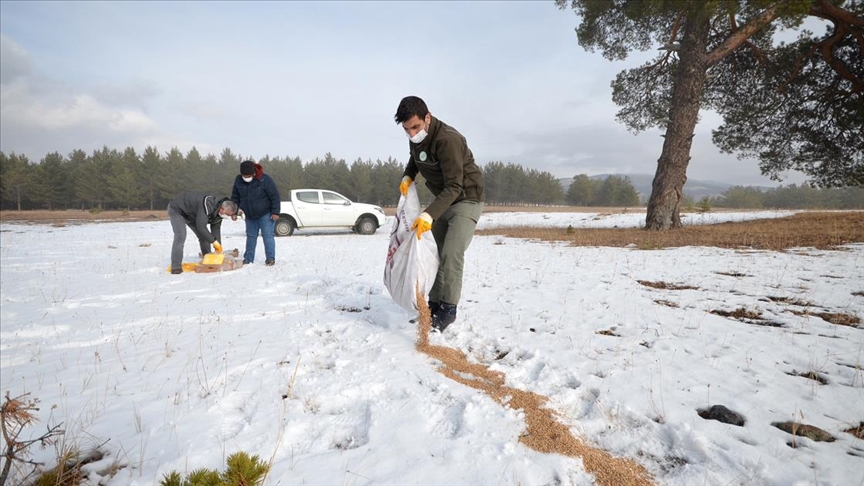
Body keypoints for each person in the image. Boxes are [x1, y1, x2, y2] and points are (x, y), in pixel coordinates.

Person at [394, 95, 485, 332]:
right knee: (434, 253)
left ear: (427, 117)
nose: (412, 134)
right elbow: (415, 159)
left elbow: (455, 186)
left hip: (466, 198)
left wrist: (429, 214)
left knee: (452, 253)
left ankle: (448, 311)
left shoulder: (448, 140)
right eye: (407, 130)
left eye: (415, 127)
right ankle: (432, 307)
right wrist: (408, 175)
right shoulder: (416, 138)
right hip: (444, 200)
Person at [168, 192, 237, 274]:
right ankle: (176, 266)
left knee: (204, 236)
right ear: (222, 209)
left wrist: (218, 246)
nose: (227, 217)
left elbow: (216, 229)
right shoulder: (207, 205)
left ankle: (208, 260)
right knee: (181, 236)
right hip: (178, 209)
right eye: (227, 214)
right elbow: (201, 227)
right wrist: (213, 241)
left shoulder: (219, 213)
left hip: (192, 214)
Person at [231, 160, 281, 266]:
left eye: (248, 175)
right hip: (249, 215)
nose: (246, 177)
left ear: (254, 172)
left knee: (267, 236)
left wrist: (275, 212)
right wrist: (234, 211)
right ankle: (248, 259)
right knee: (251, 236)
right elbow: (235, 197)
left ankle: (270, 258)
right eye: (244, 175)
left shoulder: (264, 180)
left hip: (265, 214)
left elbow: (275, 196)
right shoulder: (238, 180)